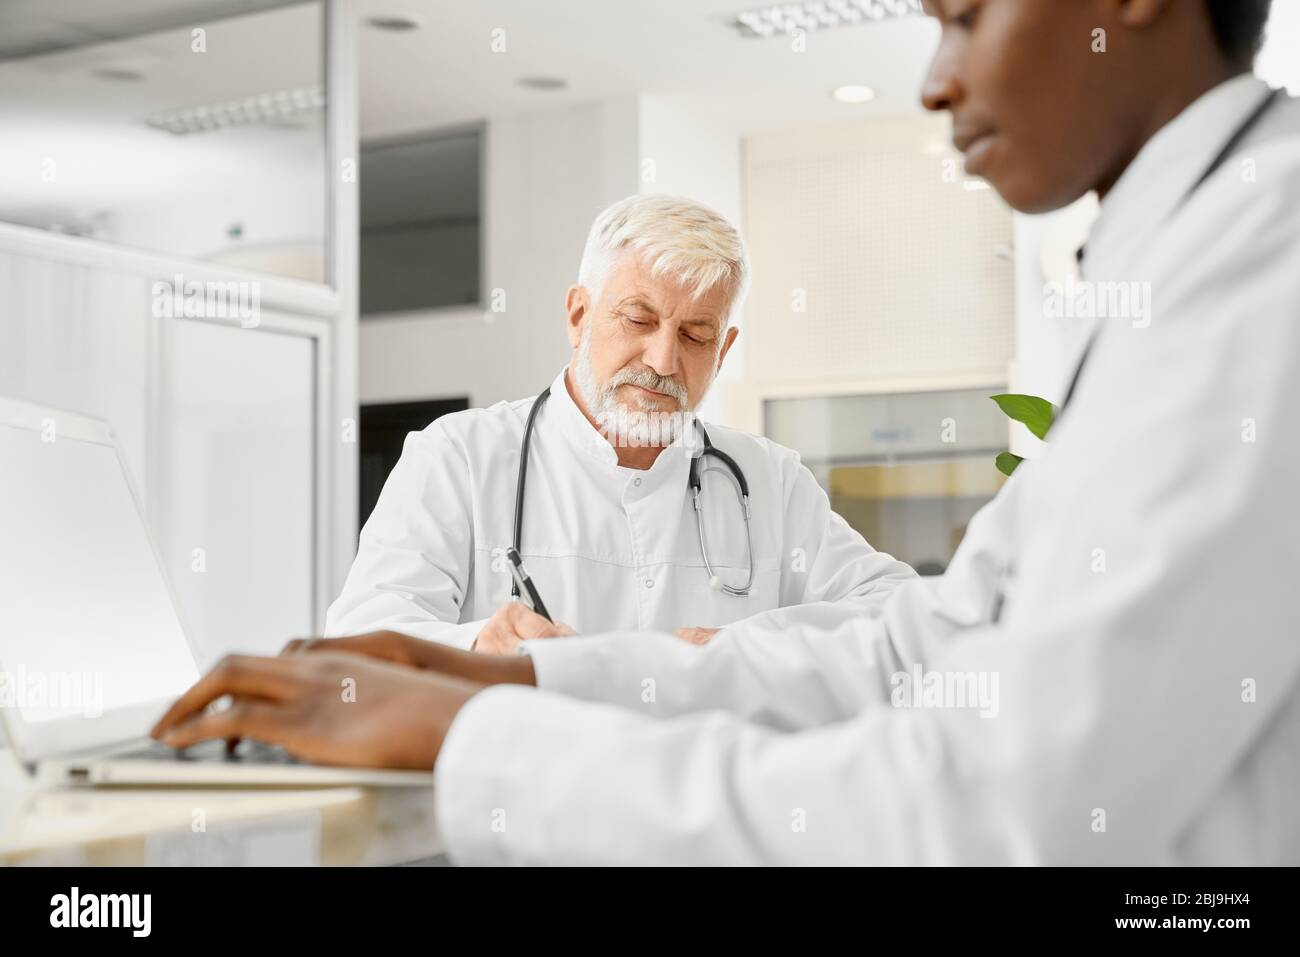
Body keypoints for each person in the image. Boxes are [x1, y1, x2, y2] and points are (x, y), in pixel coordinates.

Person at [153, 0, 1299, 864]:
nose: (936, 82)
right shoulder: (1188, 256)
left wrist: (490, 729)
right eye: (638, 321)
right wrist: (521, 681)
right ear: (577, 314)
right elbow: (925, 651)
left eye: (963, 15)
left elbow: (994, 794)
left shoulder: (1257, 272)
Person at [326, 193, 914, 654]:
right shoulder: (458, 456)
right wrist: (479, 643)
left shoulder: (770, 480)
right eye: (638, 320)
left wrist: (756, 644)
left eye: (695, 335)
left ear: (724, 350)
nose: (663, 361)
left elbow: (897, 608)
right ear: (579, 315)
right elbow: (361, 640)